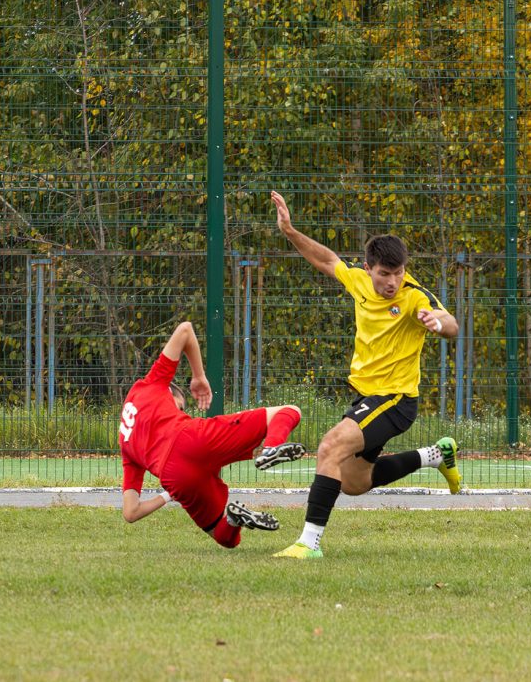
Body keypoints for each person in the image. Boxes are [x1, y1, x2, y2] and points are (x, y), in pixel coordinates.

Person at [269, 191, 462, 560]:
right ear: (369, 268)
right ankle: (436, 454)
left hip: (395, 400)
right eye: (385, 273)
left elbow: (451, 324)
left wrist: (438, 322)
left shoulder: (414, 296)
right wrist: (290, 231)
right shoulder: (358, 281)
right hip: (366, 397)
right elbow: (327, 260)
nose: (393, 281)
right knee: (354, 482)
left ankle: (308, 544)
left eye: (399, 272)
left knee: (329, 446)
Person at [119, 320, 305, 548]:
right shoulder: (153, 384)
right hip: (192, 438)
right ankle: (271, 448)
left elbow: (130, 512)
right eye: (180, 406)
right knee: (290, 412)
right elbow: (185, 329)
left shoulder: (126, 444)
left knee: (224, 536)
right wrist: (198, 376)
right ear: (170, 392)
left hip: (175, 477)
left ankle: (233, 518)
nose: (180, 410)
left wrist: (168, 495)